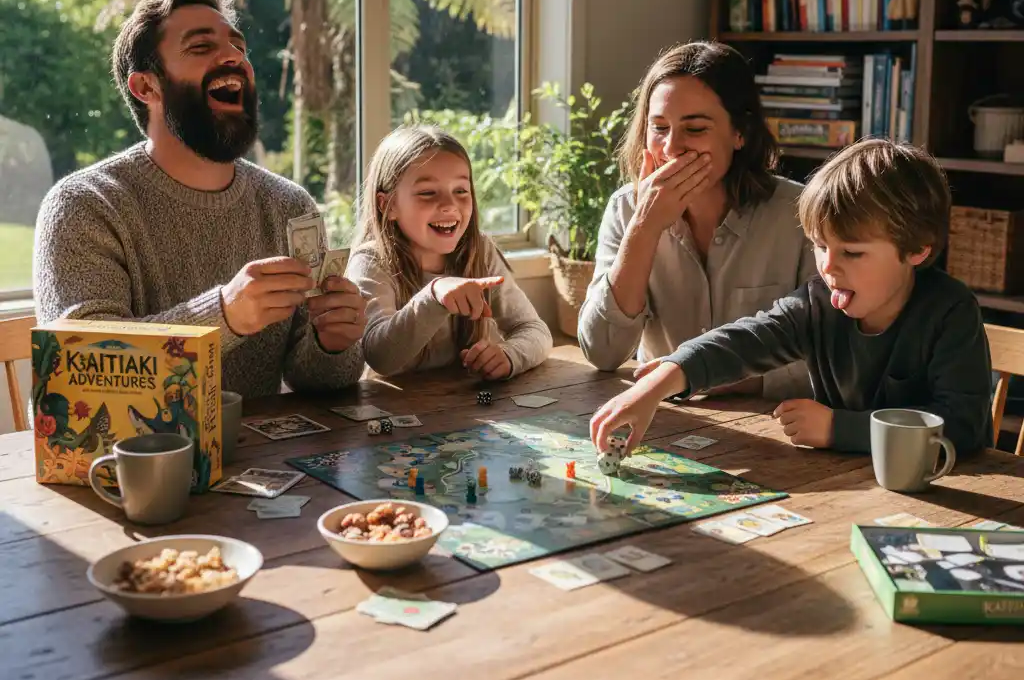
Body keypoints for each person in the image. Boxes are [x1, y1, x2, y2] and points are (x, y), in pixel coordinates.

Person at [33, 0, 366, 397]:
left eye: (238, 46)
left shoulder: (288, 204)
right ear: (146, 86)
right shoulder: (84, 206)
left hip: (256, 441)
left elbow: (315, 380)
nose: (234, 57)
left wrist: (333, 343)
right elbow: (83, 373)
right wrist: (225, 315)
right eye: (201, 46)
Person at [591, 138, 993, 459]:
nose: (829, 266)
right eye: (820, 246)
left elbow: (963, 426)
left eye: (852, 253)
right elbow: (744, 341)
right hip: (849, 486)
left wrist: (838, 428)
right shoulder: (819, 302)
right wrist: (657, 383)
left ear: (917, 249)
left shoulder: (950, 312)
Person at [578, 40, 815, 398]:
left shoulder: (800, 214)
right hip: (663, 418)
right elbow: (602, 352)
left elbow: (831, 355)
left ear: (740, 133)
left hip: (772, 420)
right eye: (659, 127)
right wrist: (644, 227)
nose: (671, 148)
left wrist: (695, 375)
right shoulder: (625, 209)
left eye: (695, 129)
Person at [346, 125, 552, 379]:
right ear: (387, 204)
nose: (449, 205)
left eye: (461, 191)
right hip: (389, 403)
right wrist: (434, 295)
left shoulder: (480, 251)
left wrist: (509, 355)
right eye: (427, 193)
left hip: (465, 401)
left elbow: (535, 330)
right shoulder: (371, 262)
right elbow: (380, 357)